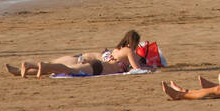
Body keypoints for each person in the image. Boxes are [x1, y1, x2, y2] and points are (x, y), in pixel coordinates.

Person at [8, 30, 156, 76]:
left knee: (58, 67)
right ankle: (41, 66)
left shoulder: (117, 49)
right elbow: (136, 68)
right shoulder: (129, 50)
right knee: (68, 70)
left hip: (94, 62)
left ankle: (26, 68)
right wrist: (151, 69)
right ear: (134, 42)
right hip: (97, 67)